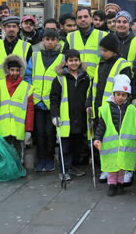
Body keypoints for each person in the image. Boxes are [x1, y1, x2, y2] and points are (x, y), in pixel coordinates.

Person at [87, 33, 133, 184]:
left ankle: (125, 169)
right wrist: (89, 103)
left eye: (105, 50)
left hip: (117, 109)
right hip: (102, 108)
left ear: (113, 50)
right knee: (106, 141)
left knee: (120, 141)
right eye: (101, 50)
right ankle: (108, 167)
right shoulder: (100, 64)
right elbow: (93, 86)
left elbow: (126, 89)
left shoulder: (122, 65)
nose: (102, 53)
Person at [24, 29, 63, 173]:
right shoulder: (34, 56)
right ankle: (40, 159)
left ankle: (50, 158)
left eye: (53, 39)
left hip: (52, 103)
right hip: (37, 102)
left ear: (57, 41)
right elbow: (28, 76)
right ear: (43, 41)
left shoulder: (62, 58)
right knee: (39, 133)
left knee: (50, 133)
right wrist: (32, 91)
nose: (50, 42)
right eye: (47, 39)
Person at [93, 74, 136, 197]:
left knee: (122, 166)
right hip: (111, 144)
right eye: (118, 94)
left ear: (127, 96)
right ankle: (112, 185)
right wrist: (97, 138)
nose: (120, 97)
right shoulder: (106, 108)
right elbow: (101, 125)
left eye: (123, 95)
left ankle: (120, 184)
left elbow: (135, 122)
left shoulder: (131, 109)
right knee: (112, 167)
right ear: (114, 94)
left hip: (124, 143)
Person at [50, 49, 91, 180]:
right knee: (65, 146)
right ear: (66, 63)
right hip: (65, 118)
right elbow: (54, 98)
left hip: (80, 117)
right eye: (71, 60)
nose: (74, 63)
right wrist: (55, 115)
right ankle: (63, 169)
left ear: (79, 61)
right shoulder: (60, 78)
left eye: (76, 60)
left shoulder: (85, 77)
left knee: (77, 145)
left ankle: (72, 166)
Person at [62, 7, 107, 79]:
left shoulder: (103, 35)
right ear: (76, 20)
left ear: (91, 19)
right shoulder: (70, 36)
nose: (83, 19)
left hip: (97, 79)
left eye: (85, 16)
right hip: (75, 80)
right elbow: (64, 59)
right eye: (79, 17)